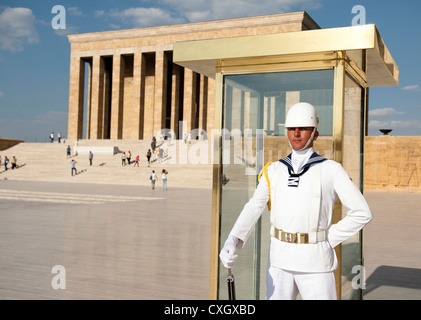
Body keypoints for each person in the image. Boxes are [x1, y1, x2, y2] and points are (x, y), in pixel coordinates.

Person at [219, 102, 372, 300]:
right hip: (279, 261)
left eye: (303, 128)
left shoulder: (331, 169)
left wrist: (327, 238)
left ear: (315, 134)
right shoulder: (273, 170)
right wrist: (233, 238)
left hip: (315, 262)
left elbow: (362, 212)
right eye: (292, 129)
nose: (296, 133)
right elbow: (254, 206)